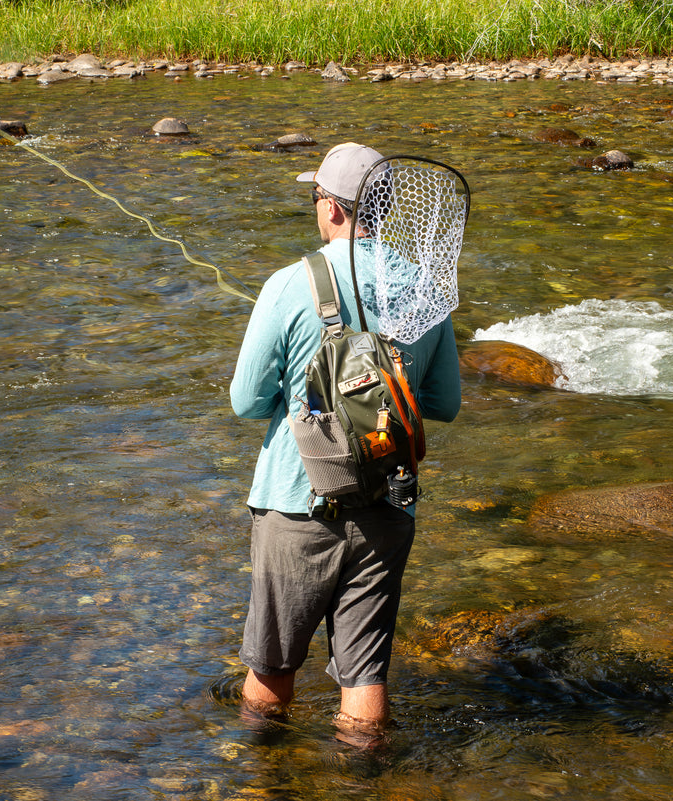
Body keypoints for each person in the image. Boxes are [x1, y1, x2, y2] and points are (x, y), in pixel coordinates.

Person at [229, 142, 461, 738]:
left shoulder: (288, 284)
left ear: (331, 207)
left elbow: (246, 402)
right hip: (387, 504)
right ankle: (364, 779)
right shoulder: (429, 291)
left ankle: (264, 776)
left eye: (315, 197)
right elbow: (444, 405)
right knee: (365, 675)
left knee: (273, 666)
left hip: (297, 505)